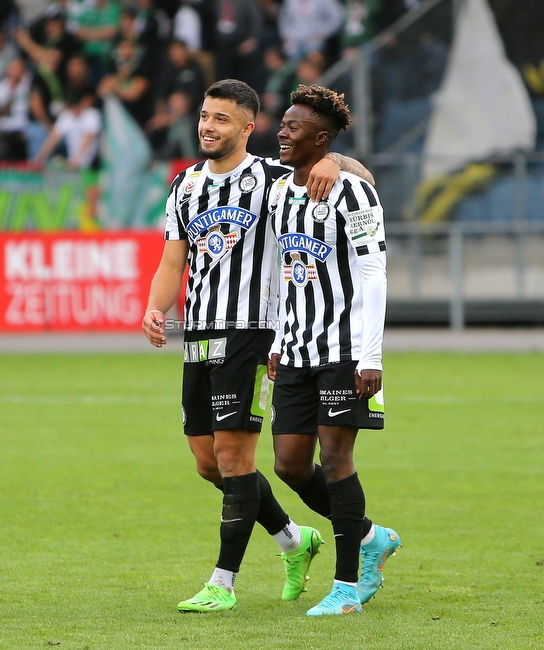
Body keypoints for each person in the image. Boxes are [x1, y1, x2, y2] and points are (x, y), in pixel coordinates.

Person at [142, 79, 374, 612]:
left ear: (249, 128)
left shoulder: (273, 177)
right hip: (198, 334)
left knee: (234, 454)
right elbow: (172, 261)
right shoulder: (185, 185)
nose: (207, 125)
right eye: (204, 115)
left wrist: (334, 162)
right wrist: (158, 308)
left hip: (252, 334)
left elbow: (361, 180)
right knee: (208, 463)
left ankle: (222, 584)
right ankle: (299, 539)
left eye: (221, 118)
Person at [267, 84, 399, 616]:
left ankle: (347, 588)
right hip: (295, 348)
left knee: (336, 457)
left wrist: (371, 356)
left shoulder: (354, 193)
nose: (282, 131)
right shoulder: (279, 192)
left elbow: (373, 272)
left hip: (345, 349)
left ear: (320, 138)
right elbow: (284, 275)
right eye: (282, 123)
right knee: (289, 464)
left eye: (293, 127)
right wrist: (278, 339)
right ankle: (370, 537)